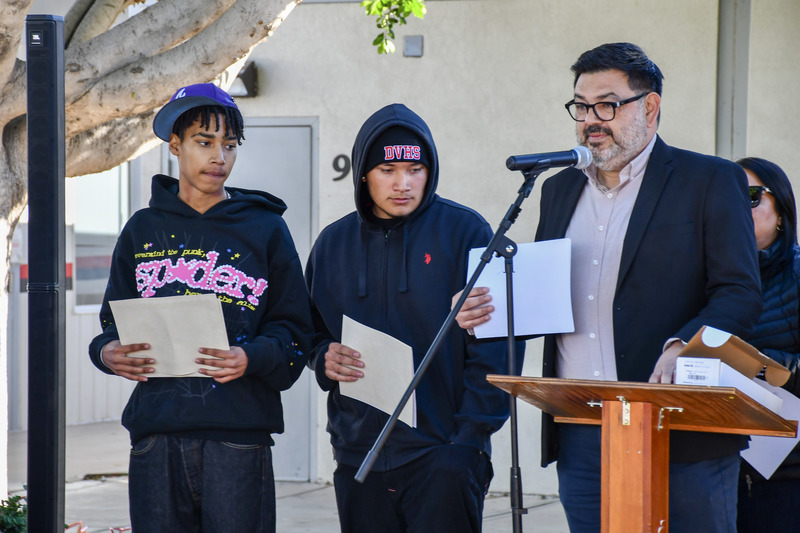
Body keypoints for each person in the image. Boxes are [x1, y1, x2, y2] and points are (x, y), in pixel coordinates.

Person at [455, 42, 762, 532]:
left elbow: (740, 292)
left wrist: (685, 343)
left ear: (650, 106)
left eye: (607, 104)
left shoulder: (708, 180)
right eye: (581, 105)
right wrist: (484, 308)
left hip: (681, 427)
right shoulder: (557, 189)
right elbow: (545, 299)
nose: (590, 119)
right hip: (583, 429)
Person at [88, 83, 313, 532]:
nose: (219, 157)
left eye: (229, 146)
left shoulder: (266, 229)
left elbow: (295, 332)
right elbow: (112, 324)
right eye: (204, 142)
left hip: (239, 438)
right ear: (175, 145)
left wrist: (250, 357)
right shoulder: (142, 229)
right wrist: (107, 353)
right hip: (157, 437)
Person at [305, 103, 523, 533]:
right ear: (363, 174)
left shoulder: (466, 233)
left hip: (444, 456)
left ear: (430, 171)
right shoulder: (333, 244)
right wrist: (321, 357)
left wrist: (467, 443)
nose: (403, 184)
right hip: (358, 456)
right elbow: (307, 332)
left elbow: (500, 348)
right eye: (387, 170)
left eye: (415, 169)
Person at [736, 157, 800, 532]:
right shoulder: (700, 275)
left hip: (786, 471)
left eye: (751, 196)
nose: (736, 207)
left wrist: (754, 365)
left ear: (781, 212)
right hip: (716, 463)